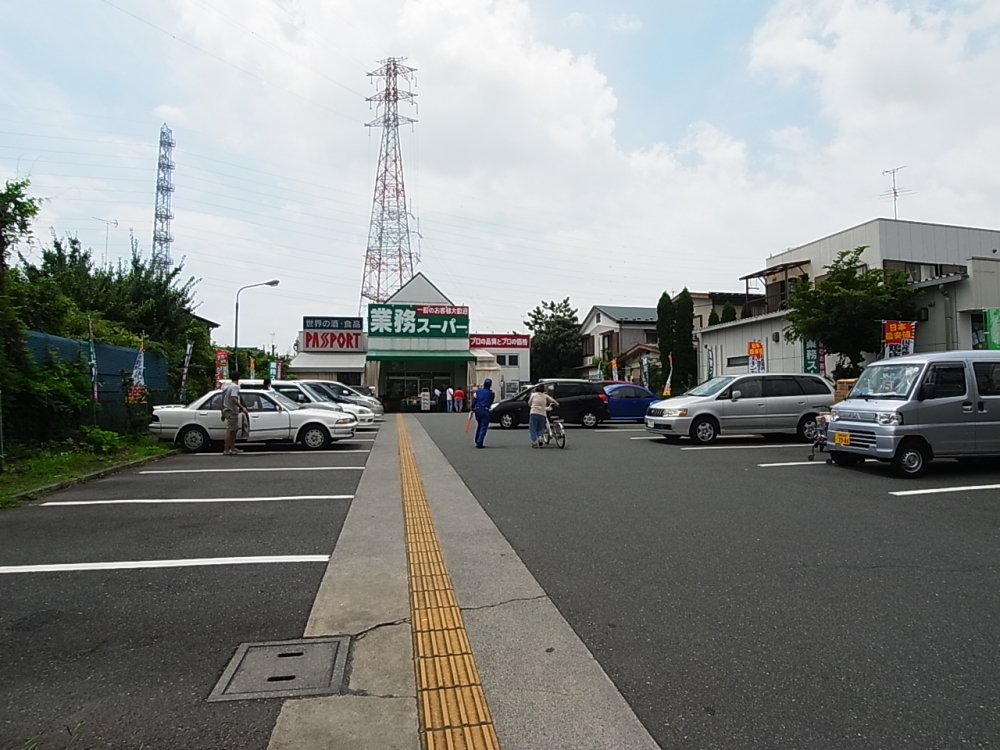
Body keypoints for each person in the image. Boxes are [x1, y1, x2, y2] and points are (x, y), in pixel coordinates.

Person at [221, 373, 249, 455]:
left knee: (234, 429)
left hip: (226, 410)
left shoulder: (227, 387)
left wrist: (222, 412)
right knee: (230, 430)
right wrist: (242, 407)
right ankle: (227, 449)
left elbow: (222, 399)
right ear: (239, 378)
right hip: (231, 411)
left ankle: (232, 448)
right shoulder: (235, 387)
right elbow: (233, 398)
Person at [470, 378, 495, 448]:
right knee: (484, 426)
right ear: (490, 385)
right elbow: (491, 401)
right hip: (485, 410)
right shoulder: (491, 393)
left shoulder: (478, 391)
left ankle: (476, 439)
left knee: (479, 425)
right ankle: (479, 442)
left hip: (478, 410)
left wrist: (472, 407)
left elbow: (474, 399)